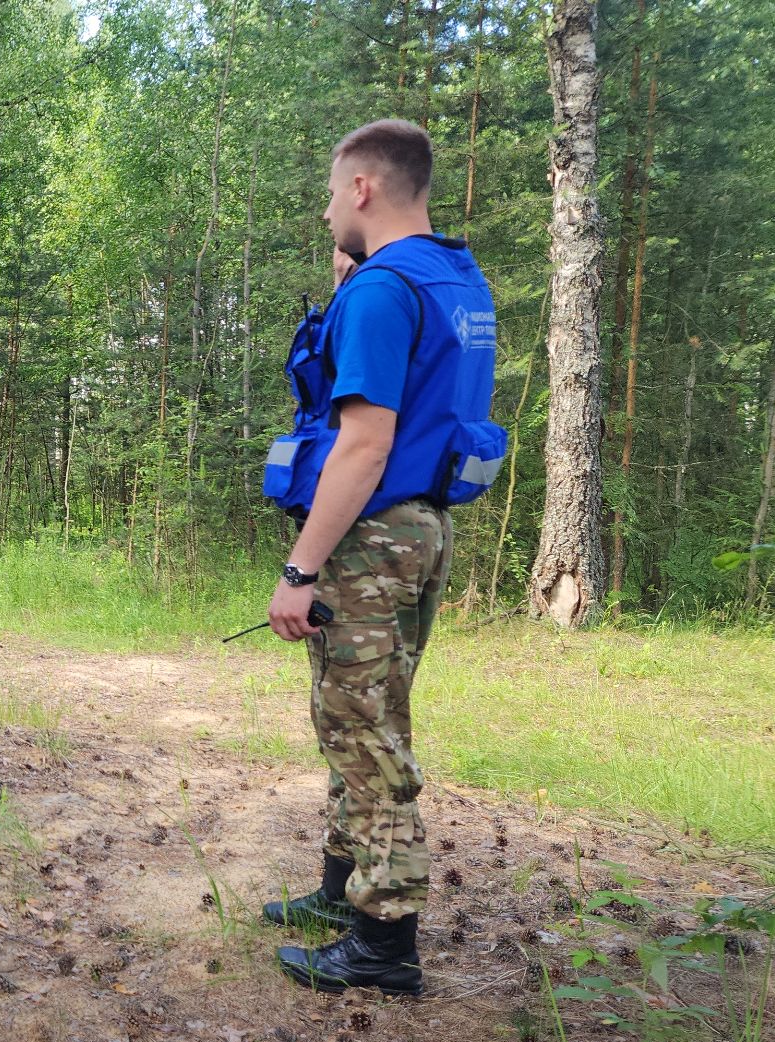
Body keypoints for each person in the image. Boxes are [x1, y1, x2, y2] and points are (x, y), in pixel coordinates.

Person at [258, 120, 505, 997]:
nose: (327, 211)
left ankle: (383, 945)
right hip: (424, 531)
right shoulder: (451, 277)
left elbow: (364, 445)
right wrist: (349, 283)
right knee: (357, 716)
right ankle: (340, 891)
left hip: (372, 534)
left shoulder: (383, 290)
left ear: (362, 188)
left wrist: (301, 569)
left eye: (331, 193)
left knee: (364, 733)